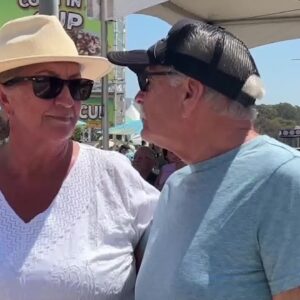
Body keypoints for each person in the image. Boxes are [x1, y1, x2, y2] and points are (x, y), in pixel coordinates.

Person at [108, 19, 300, 300]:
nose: (138, 97)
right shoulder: (175, 187)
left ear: (189, 92)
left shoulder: (285, 182)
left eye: (147, 81)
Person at [0, 15, 159, 300]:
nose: (67, 101)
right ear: (4, 98)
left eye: (78, 87)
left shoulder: (114, 176)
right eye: (46, 84)